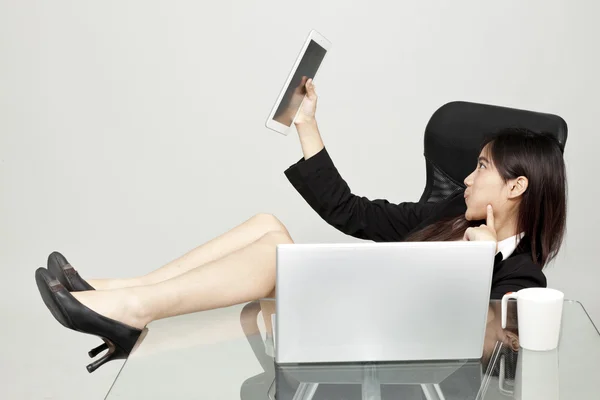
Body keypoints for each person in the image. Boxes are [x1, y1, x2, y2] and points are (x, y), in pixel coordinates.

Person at [35, 78, 567, 372]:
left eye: (480, 168)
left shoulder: (523, 277)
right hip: (351, 314)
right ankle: (114, 292)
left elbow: (495, 358)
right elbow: (355, 213)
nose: (467, 180)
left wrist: (473, 264)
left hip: (368, 341)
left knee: (275, 259)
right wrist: (307, 126)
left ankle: (128, 313)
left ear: (517, 187)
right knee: (267, 225)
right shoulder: (449, 214)